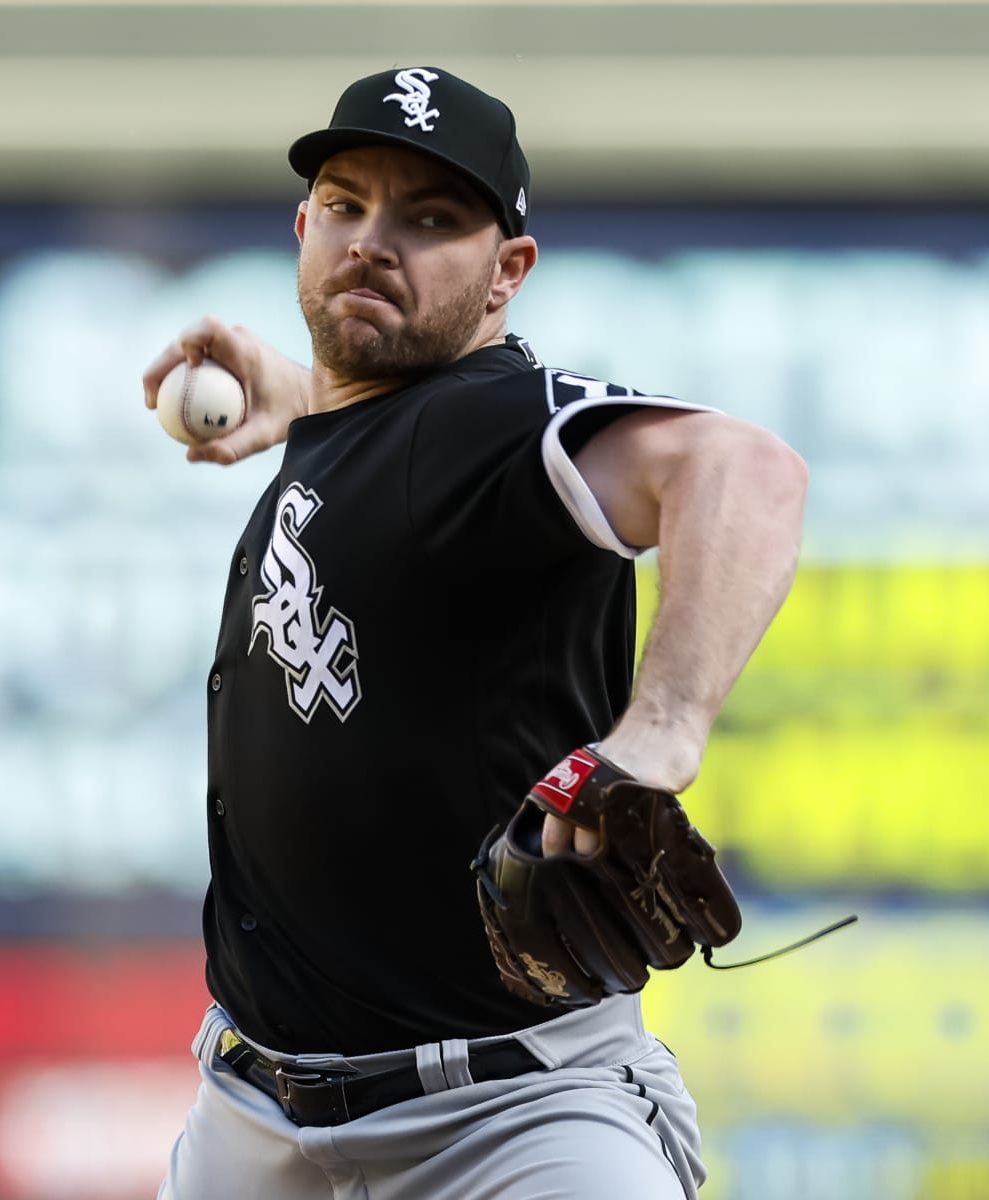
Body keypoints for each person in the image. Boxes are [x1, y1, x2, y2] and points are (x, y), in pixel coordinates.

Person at [143, 65, 807, 1200]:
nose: (372, 241)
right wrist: (305, 398)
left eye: (433, 218)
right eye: (347, 205)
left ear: (507, 274)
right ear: (303, 230)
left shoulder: (490, 417)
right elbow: (402, 471)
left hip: (507, 1127)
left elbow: (743, 467)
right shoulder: (389, 431)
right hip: (253, 1127)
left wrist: (664, 729)